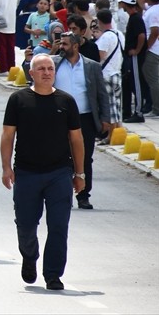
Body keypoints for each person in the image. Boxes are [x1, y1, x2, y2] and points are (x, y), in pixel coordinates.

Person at [0, 53, 87, 291]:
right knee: (26, 225)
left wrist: (79, 174)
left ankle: (53, 275)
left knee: (59, 225)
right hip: (26, 173)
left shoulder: (66, 101)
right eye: (41, 69)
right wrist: (6, 167)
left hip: (59, 173)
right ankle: (30, 256)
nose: (46, 72)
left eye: (50, 68)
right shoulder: (18, 100)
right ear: (31, 72)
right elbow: (8, 135)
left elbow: (76, 139)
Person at [51, 31, 112, 210]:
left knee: (84, 158)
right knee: (60, 157)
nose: (62, 47)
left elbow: (102, 94)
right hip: (58, 118)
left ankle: (83, 195)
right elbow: (33, 75)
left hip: (84, 118)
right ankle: (62, 195)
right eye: (61, 44)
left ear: (76, 46)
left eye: (65, 44)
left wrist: (105, 119)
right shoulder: (54, 63)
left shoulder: (91, 66)